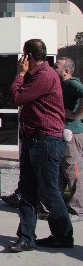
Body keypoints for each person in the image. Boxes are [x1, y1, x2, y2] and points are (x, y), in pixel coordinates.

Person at [7, 39, 74, 252]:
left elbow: (17, 97)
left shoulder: (44, 76)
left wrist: (18, 74)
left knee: (49, 191)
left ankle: (63, 235)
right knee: (27, 190)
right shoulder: (36, 75)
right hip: (33, 138)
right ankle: (26, 237)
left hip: (46, 141)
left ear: (28, 55)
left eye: (23, 55)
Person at [55, 56, 83, 222]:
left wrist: (74, 114)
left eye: (57, 66)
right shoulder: (64, 84)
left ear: (66, 71)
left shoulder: (72, 83)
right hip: (65, 133)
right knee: (62, 170)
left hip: (71, 134)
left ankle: (77, 210)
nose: (54, 67)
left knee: (73, 170)